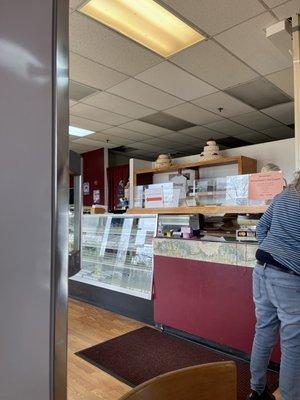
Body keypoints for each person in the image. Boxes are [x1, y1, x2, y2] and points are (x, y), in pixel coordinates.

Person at [247, 171, 300, 400]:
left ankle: (256, 391)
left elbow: (260, 228)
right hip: (288, 278)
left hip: (261, 269)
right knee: (293, 345)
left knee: (264, 331)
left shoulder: (285, 194)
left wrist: (272, 249)